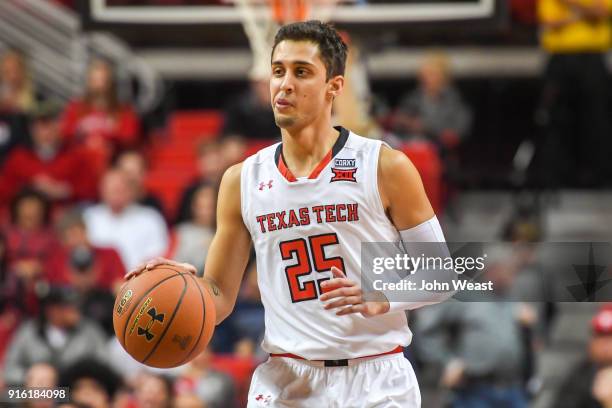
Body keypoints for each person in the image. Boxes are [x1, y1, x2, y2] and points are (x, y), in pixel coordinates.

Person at [129, 21, 452, 407]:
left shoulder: (383, 166)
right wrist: (176, 282)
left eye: (302, 72)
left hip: (376, 377)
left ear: (334, 86)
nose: (285, 83)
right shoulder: (241, 180)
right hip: (287, 379)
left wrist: (381, 296)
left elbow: (440, 274)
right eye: (278, 71)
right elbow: (217, 297)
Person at [537, 0, 612, 186]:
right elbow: (549, 22)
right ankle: (559, 178)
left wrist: (571, 7)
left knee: (597, 119)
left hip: (593, 58)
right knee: (557, 120)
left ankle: (599, 178)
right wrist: (585, 13)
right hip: (560, 59)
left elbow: (603, 12)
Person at [0, 101, 98, 205]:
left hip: (65, 214)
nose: (46, 133)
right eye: (40, 127)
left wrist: (65, 191)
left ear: (61, 126)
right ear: (31, 130)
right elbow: (4, 192)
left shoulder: (76, 155)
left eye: (50, 125)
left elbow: (91, 193)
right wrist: (29, 190)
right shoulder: (19, 158)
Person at [84, 168, 168, 271]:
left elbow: (158, 256)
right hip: (99, 283)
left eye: (120, 189)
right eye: (112, 189)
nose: (116, 194)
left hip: (140, 280)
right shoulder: (88, 218)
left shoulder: (150, 218)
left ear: (130, 190)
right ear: (102, 190)